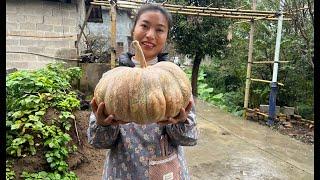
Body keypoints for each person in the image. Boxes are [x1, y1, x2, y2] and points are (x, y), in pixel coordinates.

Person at [87, 4, 198, 180]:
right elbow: (98, 142)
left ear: (166, 36)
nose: (150, 35)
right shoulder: (113, 80)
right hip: (123, 173)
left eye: (159, 30)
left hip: (166, 172)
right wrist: (103, 124)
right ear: (133, 29)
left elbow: (190, 138)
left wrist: (180, 123)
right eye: (144, 26)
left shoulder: (174, 79)